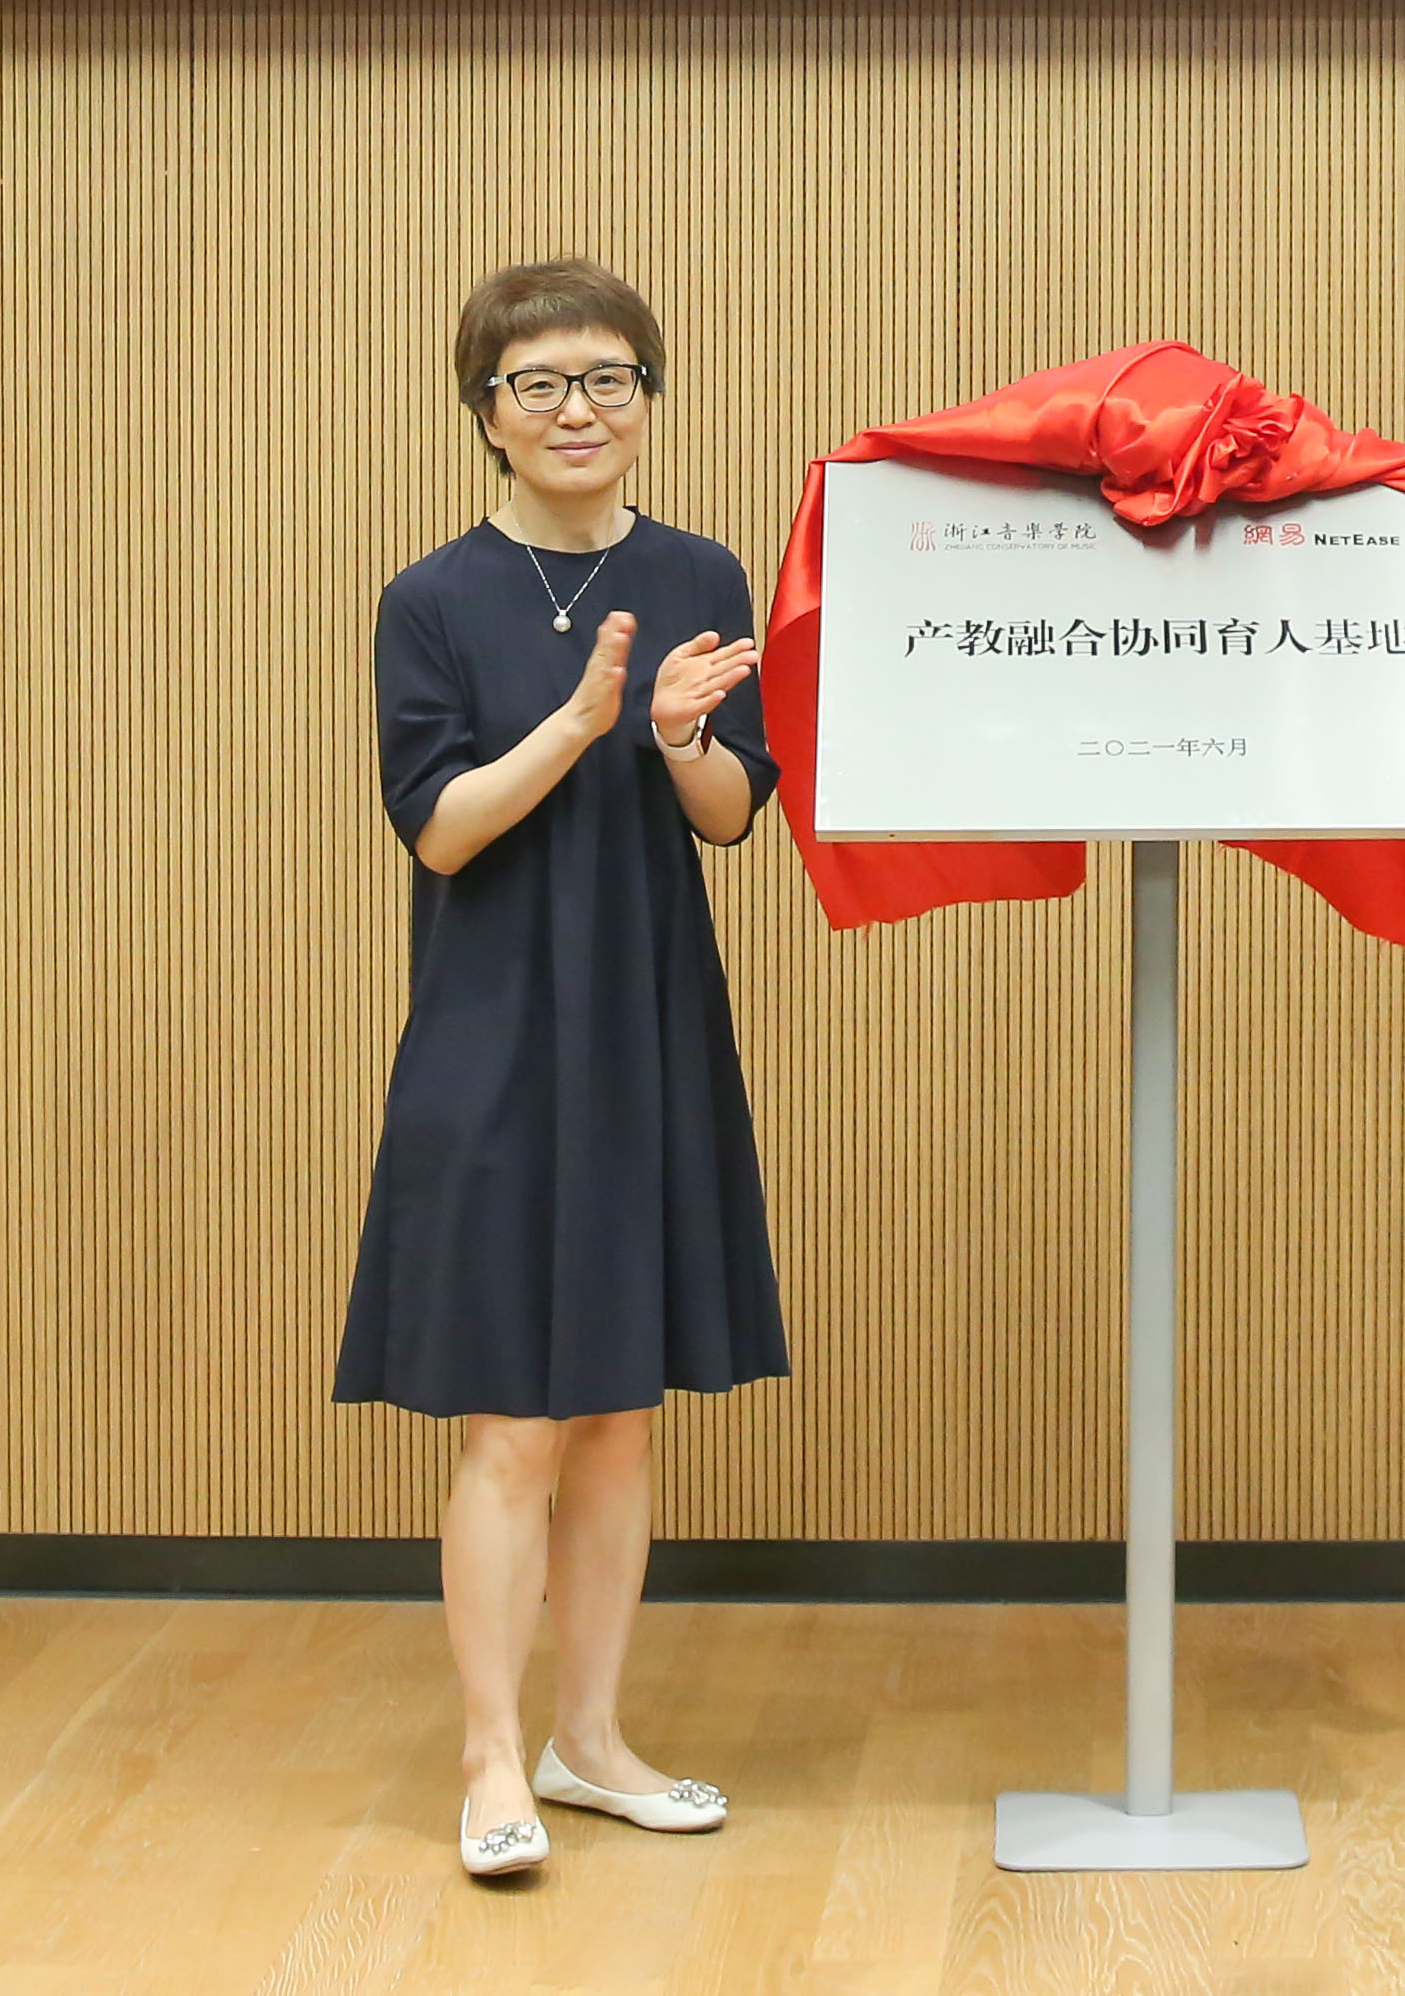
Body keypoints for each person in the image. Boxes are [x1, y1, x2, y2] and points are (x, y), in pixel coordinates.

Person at [336, 257, 787, 1883]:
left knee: (613, 1418)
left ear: (647, 400)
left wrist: (673, 737)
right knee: (510, 1422)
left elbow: (734, 815)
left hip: (647, 1024)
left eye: (608, 378)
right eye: (540, 383)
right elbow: (442, 826)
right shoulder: (431, 597)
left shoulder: (702, 570)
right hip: (491, 1038)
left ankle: (589, 1738)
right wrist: (584, 717)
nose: (577, 408)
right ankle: (488, 1750)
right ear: (488, 414)